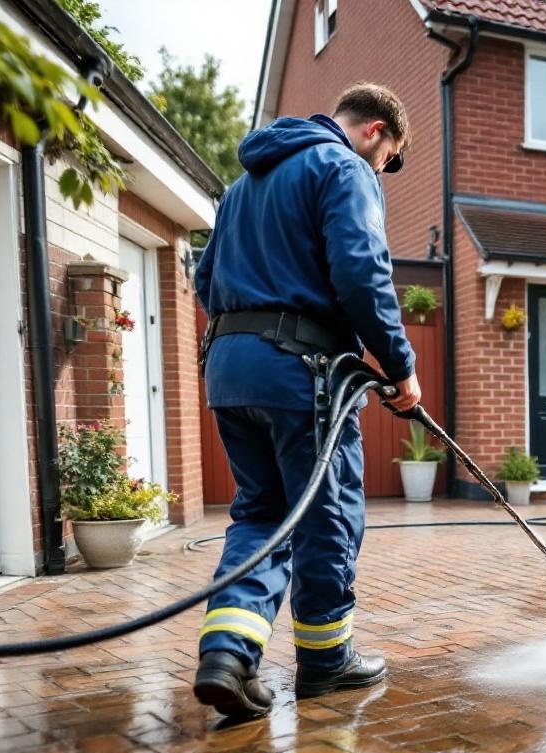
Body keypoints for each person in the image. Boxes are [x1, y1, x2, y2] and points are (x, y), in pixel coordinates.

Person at [192, 83, 421, 718]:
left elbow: (204, 280)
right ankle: (326, 660)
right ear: (375, 131)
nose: (381, 172)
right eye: (387, 160)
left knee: (261, 515)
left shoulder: (241, 189)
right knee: (326, 514)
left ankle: (228, 657)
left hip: (229, 371)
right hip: (303, 373)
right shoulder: (342, 167)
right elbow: (361, 271)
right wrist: (400, 367)